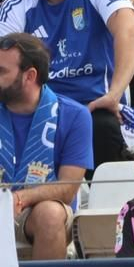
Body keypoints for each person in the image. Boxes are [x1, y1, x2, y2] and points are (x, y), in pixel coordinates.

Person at [0, 0, 134, 169]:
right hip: (40, 111)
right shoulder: (18, 4)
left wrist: (115, 93)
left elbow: (129, 32)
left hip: (96, 106)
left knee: (103, 124)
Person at [0, 32, 93, 262]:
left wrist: (18, 199)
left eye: (2, 71)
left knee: (50, 215)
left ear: (30, 75)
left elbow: (67, 188)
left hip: (35, 211)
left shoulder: (74, 115)